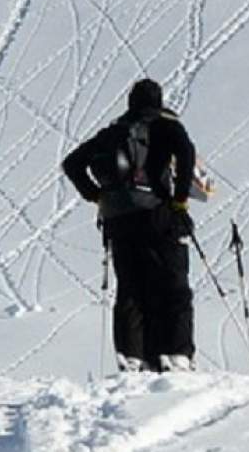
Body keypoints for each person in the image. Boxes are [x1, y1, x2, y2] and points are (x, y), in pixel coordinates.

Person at [62, 77, 197, 372]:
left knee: (131, 288)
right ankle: (175, 354)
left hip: (118, 220)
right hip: (157, 215)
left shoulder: (113, 132)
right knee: (172, 286)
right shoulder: (165, 125)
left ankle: (132, 356)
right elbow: (186, 153)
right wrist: (180, 200)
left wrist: (96, 195)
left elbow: (71, 163)